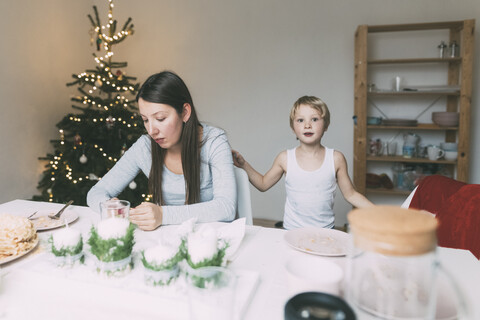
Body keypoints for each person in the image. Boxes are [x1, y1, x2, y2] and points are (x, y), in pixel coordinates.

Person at [87, 71, 236, 230]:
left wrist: (162, 215)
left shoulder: (214, 142)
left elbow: (226, 207)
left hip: (209, 241)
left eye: (160, 119)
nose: (151, 130)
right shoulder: (145, 147)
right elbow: (96, 192)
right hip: (164, 241)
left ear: (185, 112)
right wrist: (111, 206)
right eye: (145, 120)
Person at [232, 96, 373, 230]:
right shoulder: (285, 158)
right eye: (300, 120)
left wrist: (378, 211)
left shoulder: (336, 158)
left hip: (325, 231)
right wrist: (244, 164)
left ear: (326, 125)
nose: (307, 125)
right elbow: (263, 184)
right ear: (293, 128)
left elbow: (351, 195)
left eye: (314, 119)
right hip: (291, 231)